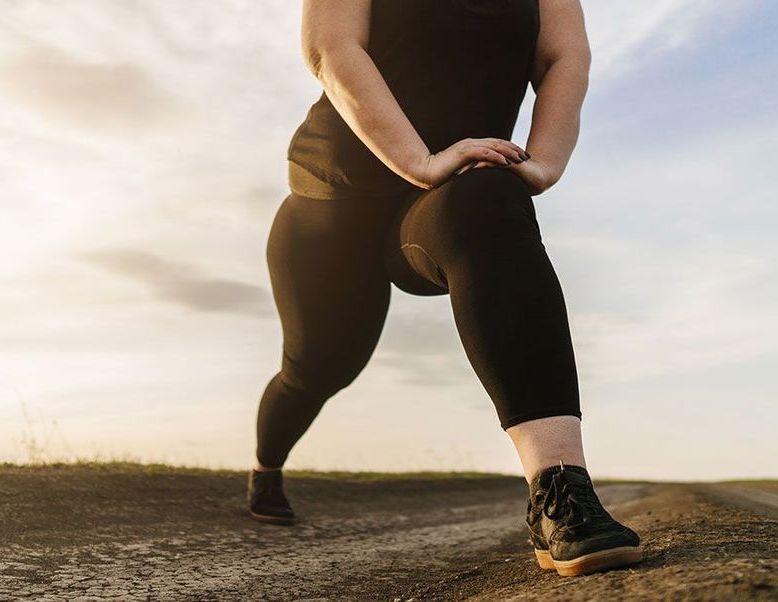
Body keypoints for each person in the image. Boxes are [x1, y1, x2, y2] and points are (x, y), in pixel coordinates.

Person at [246, 0, 643, 577]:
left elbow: (565, 57)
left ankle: (561, 493)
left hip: (445, 195)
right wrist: (420, 161)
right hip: (334, 201)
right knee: (319, 367)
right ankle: (266, 468)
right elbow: (331, 48)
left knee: (493, 198)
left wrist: (546, 162)